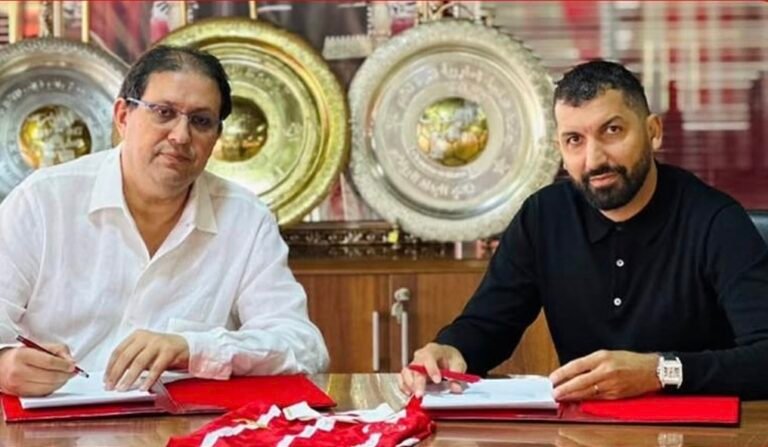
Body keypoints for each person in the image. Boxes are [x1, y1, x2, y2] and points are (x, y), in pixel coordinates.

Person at [400, 60, 768, 401]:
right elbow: (489, 325)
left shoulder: (716, 221)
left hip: (695, 431)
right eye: (574, 140)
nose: (594, 160)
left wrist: (661, 371)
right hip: (583, 429)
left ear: (653, 132)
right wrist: (451, 349)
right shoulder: (543, 216)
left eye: (612, 131)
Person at [0, 45, 329, 397]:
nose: (180, 136)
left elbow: (304, 347)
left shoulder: (245, 219)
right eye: (164, 113)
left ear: (216, 137)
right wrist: (4, 364)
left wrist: (193, 348)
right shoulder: (44, 200)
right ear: (123, 116)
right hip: (53, 419)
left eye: (201, 121)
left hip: (183, 422)